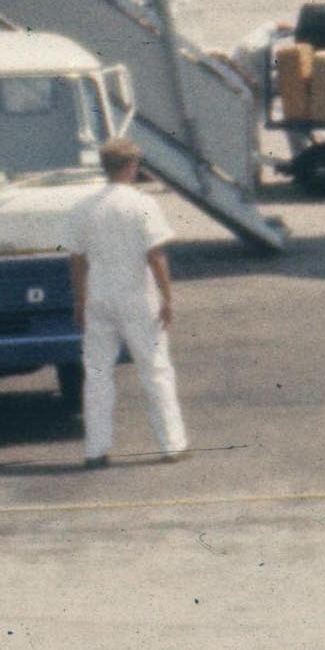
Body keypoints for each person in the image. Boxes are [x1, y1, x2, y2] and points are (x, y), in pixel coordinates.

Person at [66, 139, 189, 467]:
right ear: (131, 166)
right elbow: (156, 256)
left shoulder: (84, 207)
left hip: (99, 297)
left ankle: (96, 449)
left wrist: (80, 300)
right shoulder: (142, 204)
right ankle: (171, 444)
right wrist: (167, 297)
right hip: (137, 296)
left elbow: (77, 260)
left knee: (96, 374)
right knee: (156, 370)